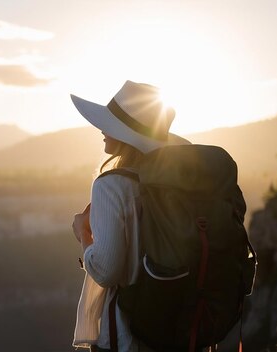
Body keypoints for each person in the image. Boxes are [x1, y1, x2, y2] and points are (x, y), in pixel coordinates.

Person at [70, 81, 191, 352]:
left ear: (125, 134)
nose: (101, 129)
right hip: (174, 326)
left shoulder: (110, 185)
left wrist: (83, 234)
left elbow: (106, 270)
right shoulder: (174, 183)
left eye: (110, 124)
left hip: (127, 335)